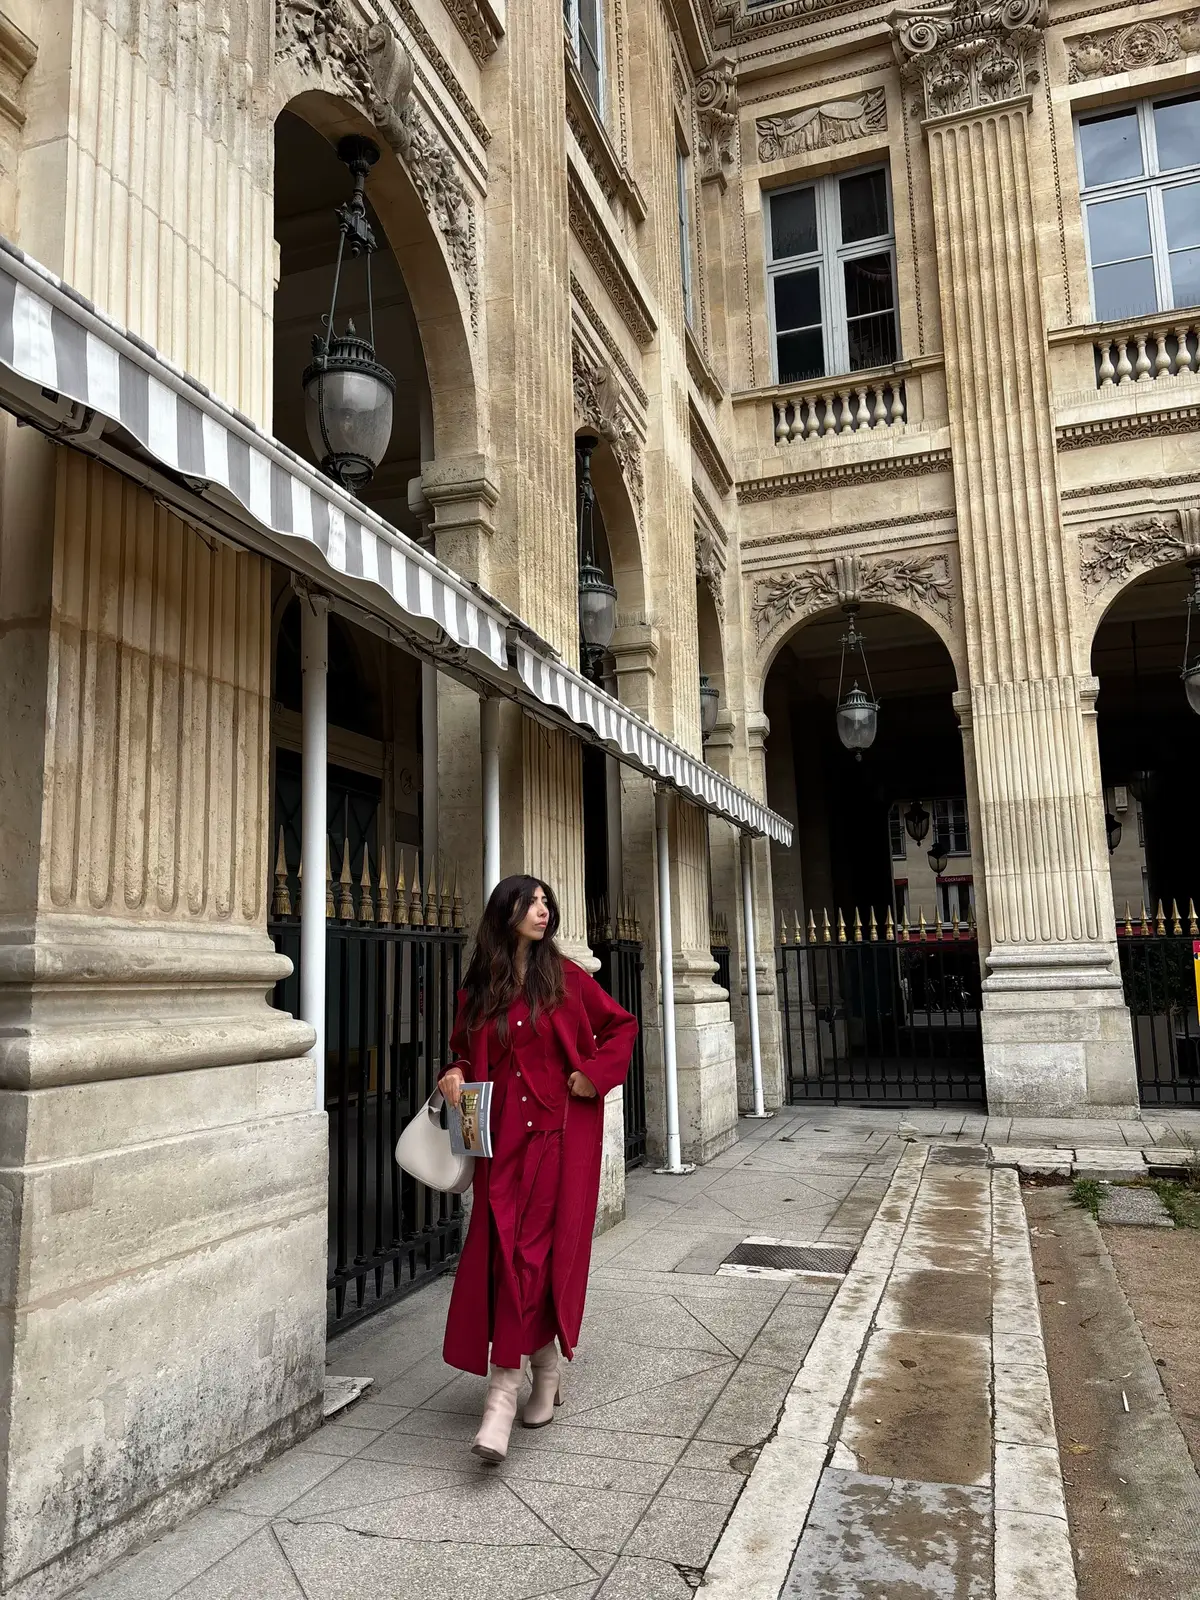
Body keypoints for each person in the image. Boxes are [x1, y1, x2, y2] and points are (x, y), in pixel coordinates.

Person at [439, 873, 638, 1463]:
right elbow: (461, 1051)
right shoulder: (481, 990)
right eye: (530, 902)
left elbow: (621, 1026)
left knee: (527, 1256)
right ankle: (545, 1368)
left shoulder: (567, 979)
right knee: (503, 1256)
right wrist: (453, 1075)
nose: (542, 910)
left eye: (546, 901)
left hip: (556, 1141)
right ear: (505, 913)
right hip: (500, 1145)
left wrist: (593, 1075)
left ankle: (502, 1394)